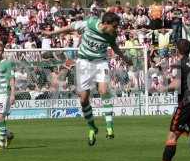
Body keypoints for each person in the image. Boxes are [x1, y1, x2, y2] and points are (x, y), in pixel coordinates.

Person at [44, 12, 132, 146]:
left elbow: (114, 46)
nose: (116, 29)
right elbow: (71, 27)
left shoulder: (111, 34)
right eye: (114, 26)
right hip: (84, 63)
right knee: (84, 99)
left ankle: (109, 126)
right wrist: (52, 34)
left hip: (100, 62)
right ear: (106, 24)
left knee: (103, 90)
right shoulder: (90, 24)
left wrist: (125, 58)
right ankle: (92, 127)